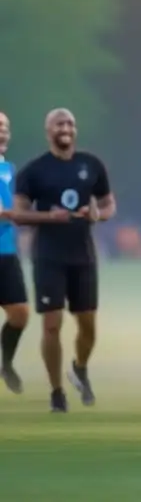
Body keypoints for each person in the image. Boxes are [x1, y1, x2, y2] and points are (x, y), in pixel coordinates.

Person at [9, 108, 115, 412]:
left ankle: (79, 367)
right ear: (48, 131)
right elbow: (19, 214)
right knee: (51, 325)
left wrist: (98, 214)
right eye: (59, 123)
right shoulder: (33, 171)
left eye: (70, 123)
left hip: (83, 256)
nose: (66, 127)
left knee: (88, 326)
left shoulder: (91, 165)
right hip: (48, 257)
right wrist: (49, 216)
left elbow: (108, 206)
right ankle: (57, 391)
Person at [0, 112, 30, 393]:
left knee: (20, 313)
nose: (3, 132)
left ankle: (5, 363)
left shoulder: (8, 168)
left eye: (6, 127)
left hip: (6, 252)